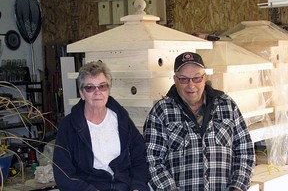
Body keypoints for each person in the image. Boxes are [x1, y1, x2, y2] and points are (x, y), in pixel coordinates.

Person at [143, 52, 255, 191]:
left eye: (196, 78)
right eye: (184, 79)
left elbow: (245, 151)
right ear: (175, 79)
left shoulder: (227, 106)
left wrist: (237, 187)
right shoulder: (161, 111)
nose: (191, 85)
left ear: (204, 78)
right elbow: (152, 161)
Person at [53, 60, 150, 191]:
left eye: (102, 86)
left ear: (108, 90)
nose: (97, 92)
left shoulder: (122, 120)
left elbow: (139, 158)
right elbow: (63, 173)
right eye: (90, 87)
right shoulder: (69, 126)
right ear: (82, 93)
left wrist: (137, 186)